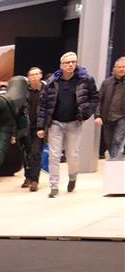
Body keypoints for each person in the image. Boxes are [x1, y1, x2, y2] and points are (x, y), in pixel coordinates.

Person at [36, 51, 99, 197]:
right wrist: (40, 126)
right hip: (55, 123)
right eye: (67, 62)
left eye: (73, 62)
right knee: (54, 155)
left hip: (74, 123)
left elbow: (95, 97)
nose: (70, 65)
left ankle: (72, 177)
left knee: (72, 155)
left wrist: (85, 114)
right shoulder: (52, 81)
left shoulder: (85, 80)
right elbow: (43, 105)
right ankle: (54, 186)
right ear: (61, 65)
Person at [96, 56, 125, 161]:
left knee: (117, 140)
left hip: (122, 117)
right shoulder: (107, 83)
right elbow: (98, 100)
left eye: (124, 67)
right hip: (107, 117)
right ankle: (115, 158)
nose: (122, 69)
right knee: (108, 141)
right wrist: (98, 115)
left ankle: (114, 162)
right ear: (114, 68)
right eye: (119, 67)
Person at [21, 67, 46, 191]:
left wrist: (45, 127)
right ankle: (28, 177)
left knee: (36, 153)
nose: (35, 77)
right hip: (26, 127)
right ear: (28, 78)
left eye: (37, 74)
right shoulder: (24, 91)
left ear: (41, 75)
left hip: (39, 127)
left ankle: (35, 179)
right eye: (32, 75)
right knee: (26, 153)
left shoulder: (47, 90)